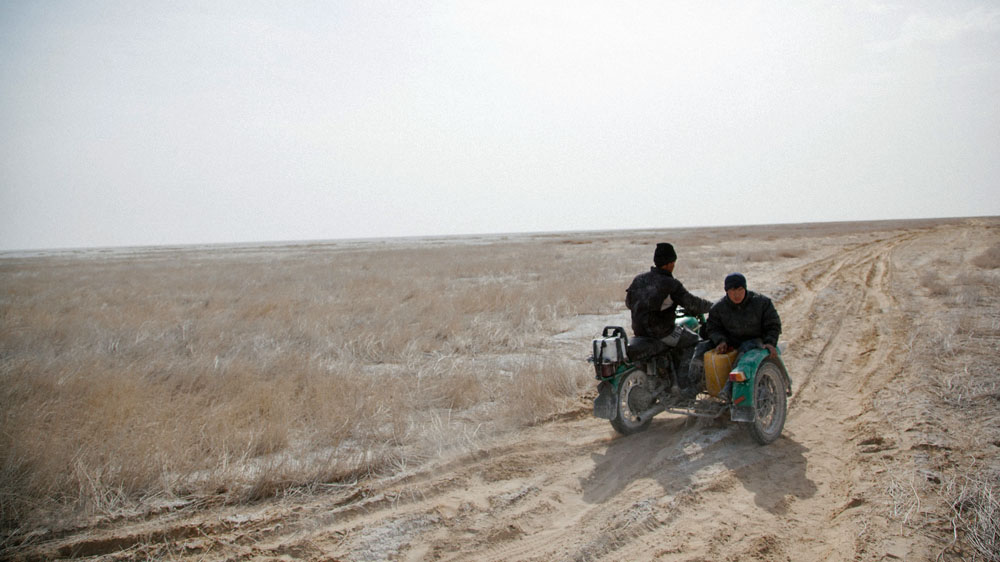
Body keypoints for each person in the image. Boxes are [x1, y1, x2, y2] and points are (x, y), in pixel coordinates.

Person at [625, 243, 713, 397]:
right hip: (662, 333)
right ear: (670, 263)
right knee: (696, 342)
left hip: (639, 333)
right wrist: (714, 307)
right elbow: (693, 304)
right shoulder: (671, 284)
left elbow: (628, 303)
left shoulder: (639, 279)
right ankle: (685, 387)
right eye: (673, 262)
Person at [689, 272, 782, 396]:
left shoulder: (762, 303)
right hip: (730, 340)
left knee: (744, 352)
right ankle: (693, 385)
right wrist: (720, 341)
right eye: (732, 290)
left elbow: (773, 324)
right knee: (701, 348)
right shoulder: (718, 308)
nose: (736, 294)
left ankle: (729, 388)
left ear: (745, 288)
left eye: (740, 289)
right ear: (726, 291)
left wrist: (770, 342)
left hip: (754, 340)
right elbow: (712, 328)